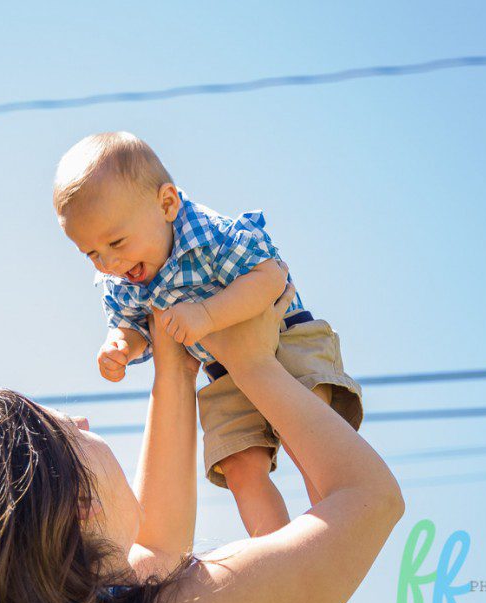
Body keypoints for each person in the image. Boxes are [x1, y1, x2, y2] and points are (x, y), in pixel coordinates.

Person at [0, 283, 404, 603]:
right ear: (79, 502)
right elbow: (368, 498)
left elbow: (157, 549)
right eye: (71, 430)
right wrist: (252, 364)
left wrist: (174, 367)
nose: (84, 422)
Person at [53, 131, 364, 537]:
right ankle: (278, 550)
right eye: (92, 253)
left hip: (284, 337)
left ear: (167, 204)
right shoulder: (122, 279)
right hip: (223, 370)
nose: (109, 262)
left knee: (304, 435)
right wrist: (120, 347)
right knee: (237, 464)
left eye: (116, 242)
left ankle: (339, 530)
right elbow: (133, 326)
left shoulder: (208, 235)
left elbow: (270, 276)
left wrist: (206, 314)